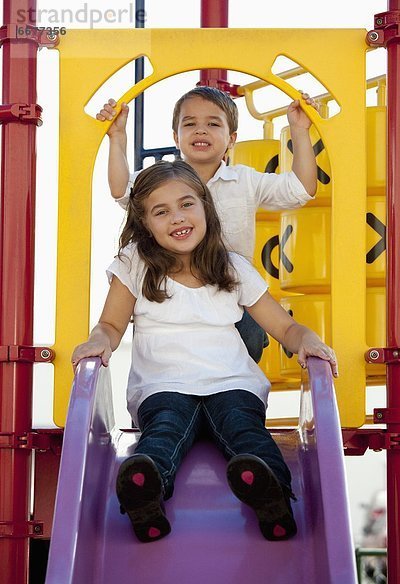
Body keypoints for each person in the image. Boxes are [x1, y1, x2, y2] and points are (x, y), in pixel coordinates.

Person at [72, 160, 338, 544]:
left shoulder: (232, 267)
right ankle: (145, 495)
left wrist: (307, 340)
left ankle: (271, 495)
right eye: (160, 212)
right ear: (144, 224)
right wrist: (99, 340)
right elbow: (111, 325)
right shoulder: (136, 264)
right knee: (162, 432)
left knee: (246, 431)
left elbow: (283, 327)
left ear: (206, 207)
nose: (177, 218)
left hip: (231, 382)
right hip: (163, 385)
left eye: (186, 204)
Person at [96, 86, 319, 363]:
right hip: (178, 295)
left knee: (247, 339)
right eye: (190, 124)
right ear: (176, 137)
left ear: (231, 139)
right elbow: (121, 190)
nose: (201, 131)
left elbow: (301, 189)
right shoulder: (162, 181)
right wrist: (117, 138)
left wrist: (299, 131)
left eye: (213, 124)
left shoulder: (244, 180)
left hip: (232, 293)